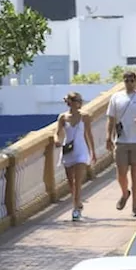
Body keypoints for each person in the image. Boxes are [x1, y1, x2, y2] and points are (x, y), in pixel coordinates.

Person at [106, 70, 136, 218]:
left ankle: (135, 207)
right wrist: (108, 137)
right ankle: (125, 193)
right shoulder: (116, 98)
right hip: (121, 140)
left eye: (132, 80)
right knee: (121, 173)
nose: (129, 83)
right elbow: (111, 119)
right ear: (123, 82)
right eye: (126, 81)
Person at [55, 92, 96, 221]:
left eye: (77, 101)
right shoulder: (63, 117)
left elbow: (89, 134)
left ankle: (75, 209)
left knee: (77, 181)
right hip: (68, 150)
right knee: (70, 182)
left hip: (81, 150)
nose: (76, 103)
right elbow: (57, 133)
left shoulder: (85, 117)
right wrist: (57, 140)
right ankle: (77, 202)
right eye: (73, 101)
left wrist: (92, 152)